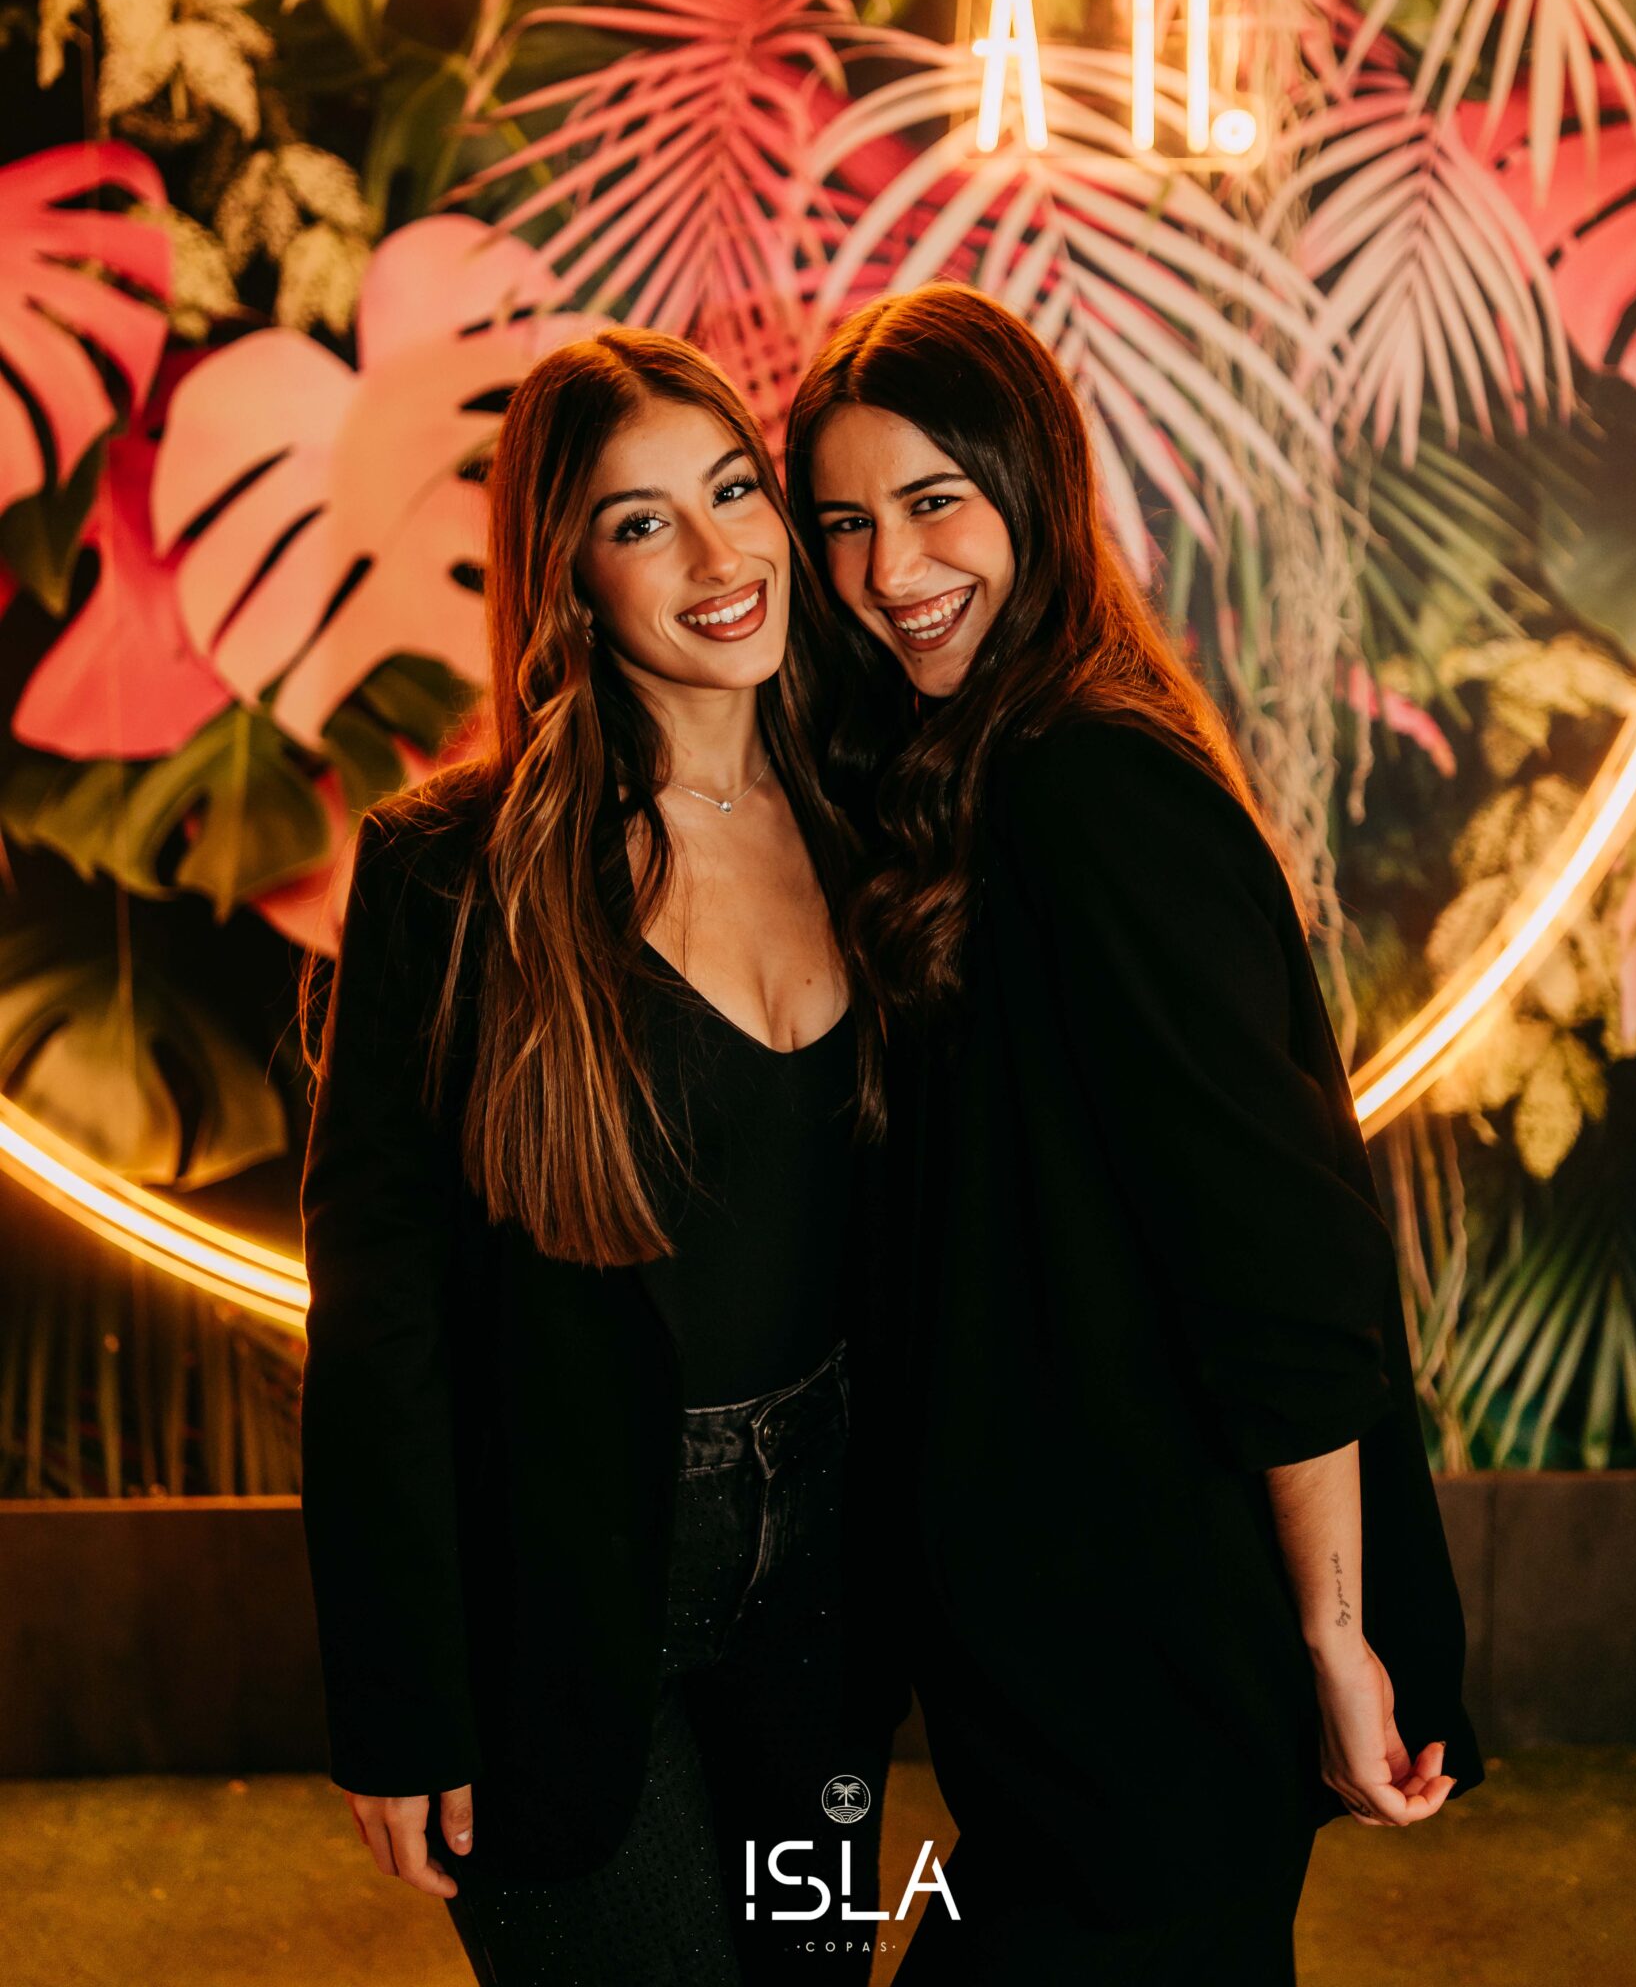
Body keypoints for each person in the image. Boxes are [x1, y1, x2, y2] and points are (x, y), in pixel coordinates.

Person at [785, 283, 1484, 1987]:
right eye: (846, 524)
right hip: (1064, 1631)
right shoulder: (976, 764)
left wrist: (1337, 1640)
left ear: (1036, 485)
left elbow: (1284, 1257)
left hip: (1160, 1633)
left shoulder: (1090, 781)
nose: (888, 571)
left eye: (936, 502)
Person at [298, 328, 904, 1987]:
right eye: (643, 523)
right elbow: (378, 1319)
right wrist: (397, 1705)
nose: (719, 556)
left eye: (734, 492)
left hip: (826, 1580)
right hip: (564, 1582)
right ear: (569, 577)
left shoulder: (874, 810)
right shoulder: (453, 876)